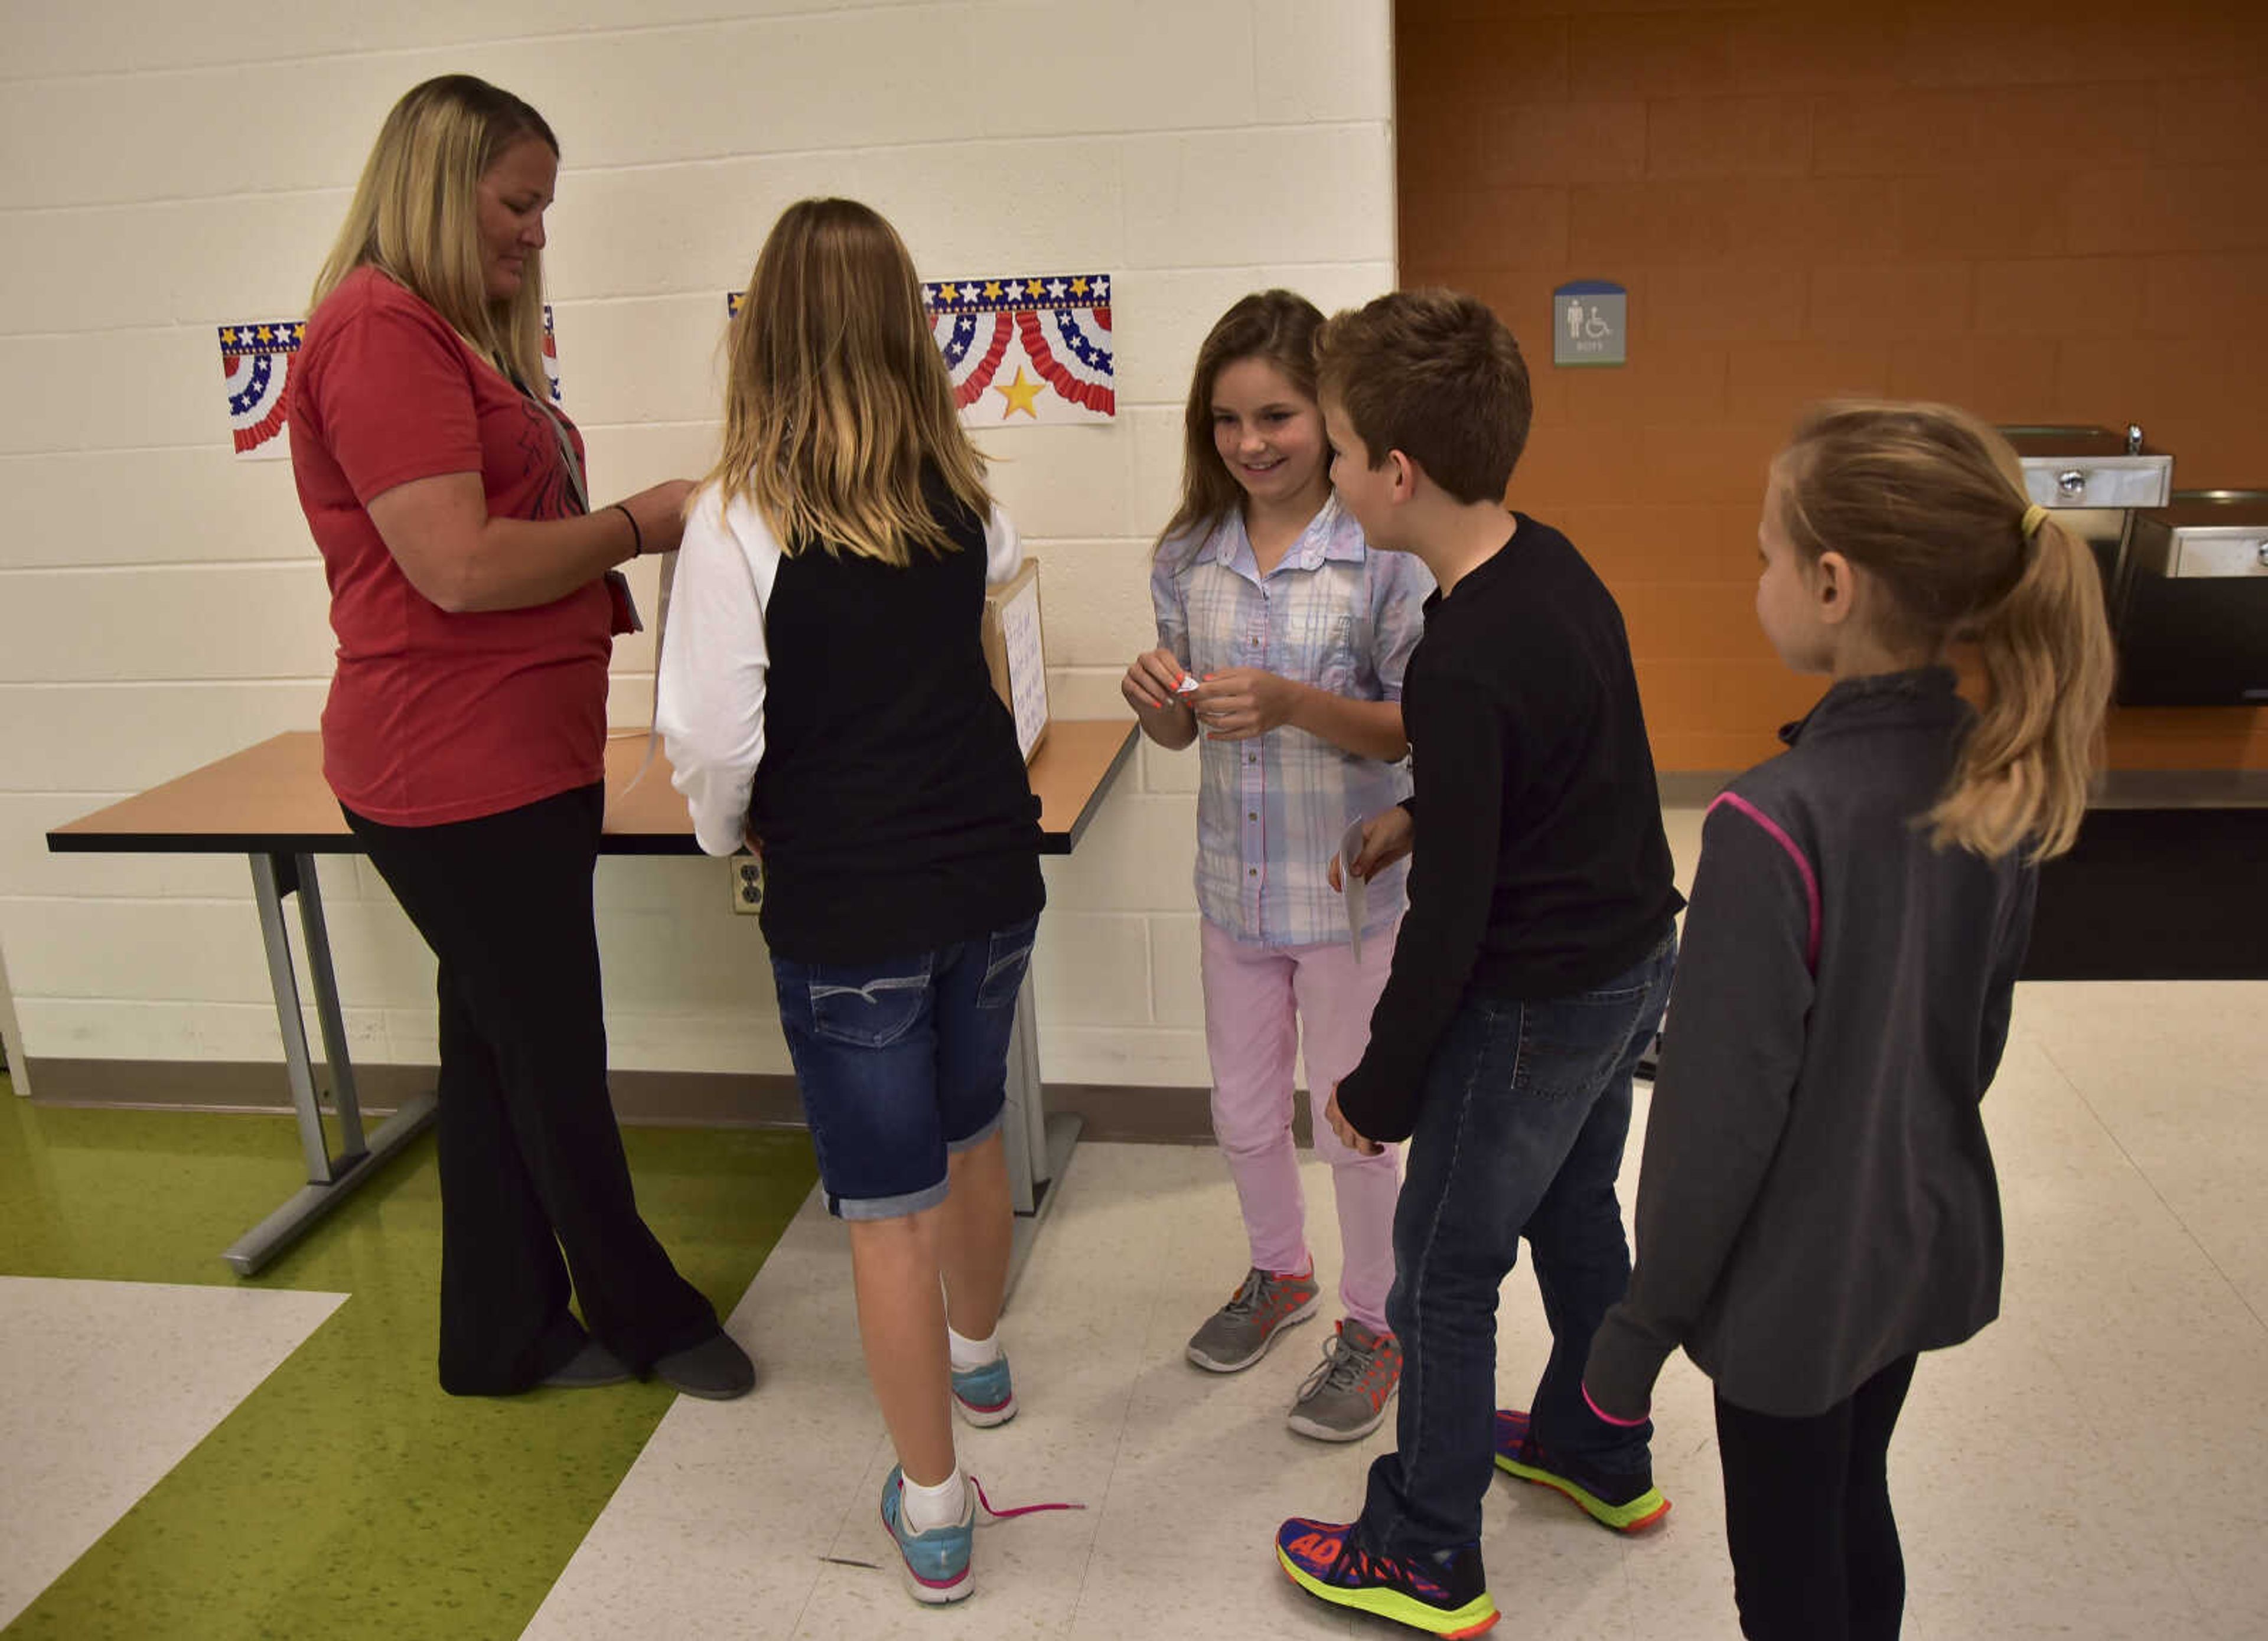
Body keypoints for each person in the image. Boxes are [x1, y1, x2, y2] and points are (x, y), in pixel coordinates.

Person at [1582, 402, 2115, 1641]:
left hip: (1789, 1294)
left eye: (1765, 551)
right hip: (1911, 1246)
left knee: (1785, 1574)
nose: (1754, 575)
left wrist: (1639, 1327)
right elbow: (1970, 1044)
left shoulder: (1769, 824)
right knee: (1853, 1498)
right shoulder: (1999, 775)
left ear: (1830, 583)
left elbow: (1713, 1130)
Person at [289, 74, 751, 1401]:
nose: (538, 231)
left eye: (546, 205)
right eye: (518, 202)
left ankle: (497, 1334)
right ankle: (645, 1312)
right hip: (452, 770)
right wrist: (640, 524)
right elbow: (460, 567)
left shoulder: (454, 332)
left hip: (514, 758)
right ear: (442, 185)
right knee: (552, 1051)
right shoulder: (378, 332)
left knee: (494, 1046)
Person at [655, 198, 1047, 1607]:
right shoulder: (971, 500)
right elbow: (1006, 679)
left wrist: (719, 839)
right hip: (990, 872)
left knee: (888, 1211)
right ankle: (982, 1361)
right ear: (904, 328)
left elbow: (712, 740)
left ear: (763, 335)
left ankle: (935, 1511)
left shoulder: (733, 521)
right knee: (976, 1122)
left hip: (852, 899)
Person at [1272, 290, 1682, 1639]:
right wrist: (1416, 810)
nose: (1329, 471)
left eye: (1335, 448)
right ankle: (1597, 1445)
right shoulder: (1551, 567)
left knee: (1445, 1268)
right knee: (1572, 1206)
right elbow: (1555, 780)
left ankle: (1427, 1545)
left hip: (1528, 1002)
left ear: (1396, 474)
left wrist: (1380, 1081)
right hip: (1629, 970)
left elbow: (1455, 920)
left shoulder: (1458, 657)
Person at [1120, 290, 1430, 1442]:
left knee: (1349, 1121)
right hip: (1232, 894)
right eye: (1227, 421)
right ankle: (1279, 1272)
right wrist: (1156, 703)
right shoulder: (1186, 557)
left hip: (1350, 900)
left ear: (1329, 416)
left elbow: (1414, 727)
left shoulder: (1380, 559)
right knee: (1243, 1113)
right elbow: (1180, 732)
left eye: (1280, 416)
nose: (1252, 443)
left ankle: (1378, 1321)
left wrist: (1302, 704)